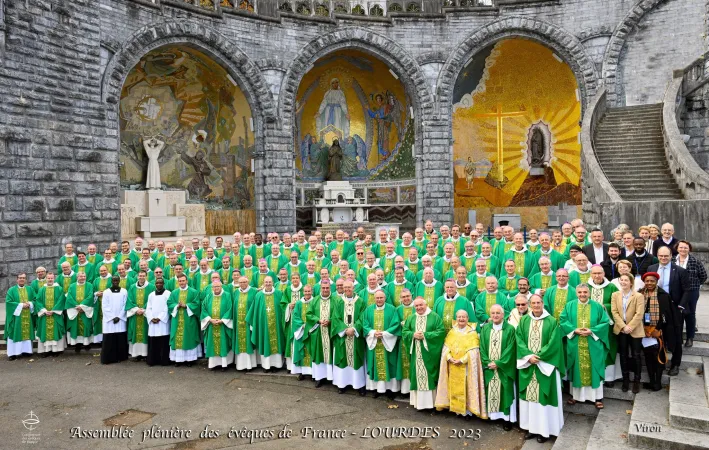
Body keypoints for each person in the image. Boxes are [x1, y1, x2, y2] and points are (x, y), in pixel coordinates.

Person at [516, 294, 565, 443]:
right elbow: (519, 339)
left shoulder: (551, 321)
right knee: (530, 399)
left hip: (545, 365)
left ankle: (544, 430)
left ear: (543, 304)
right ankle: (531, 428)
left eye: (538, 302)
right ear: (530, 305)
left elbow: (554, 342)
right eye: (533, 303)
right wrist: (528, 357)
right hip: (528, 363)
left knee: (543, 397)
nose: (536, 305)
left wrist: (539, 357)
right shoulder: (524, 320)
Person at [560, 284, 610, 409]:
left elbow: (605, 322)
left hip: (593, 343)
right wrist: (574, 330)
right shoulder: (569, 305)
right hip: (576, 341)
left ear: (589, 293)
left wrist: (592, 331)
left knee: (594, 367)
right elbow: (563, 320)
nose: (582, 294)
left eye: (585, 292)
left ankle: (597, 398)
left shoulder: (597, 306)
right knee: (576, 367)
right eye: (580, 292)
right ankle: (575, 396)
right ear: (576, 293)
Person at [435, 310, 487, 419]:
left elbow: (474, 352)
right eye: (459, 317)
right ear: (456, 318)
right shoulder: (452, 332)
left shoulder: (472, 333)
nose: (461, 319)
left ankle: (467, 411)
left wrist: (462, 360)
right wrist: (449, 358)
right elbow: (446, 348)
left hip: (465, 366)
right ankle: (457, 410)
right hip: (453, 364)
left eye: (463, 317)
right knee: (453, 386)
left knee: (467, 387)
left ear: (468, 318)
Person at [648, 247, 689, 376]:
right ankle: (661, 362)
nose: (663, 258)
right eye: (661, 256)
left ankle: (675, 364)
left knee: (676, 337)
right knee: (659, 335)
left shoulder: (680, 271)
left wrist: (681, 307)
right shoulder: (651, 268)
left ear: (671, 255)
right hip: (656, 307)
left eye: (666, 256)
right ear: (657, 255)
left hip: (674, 309)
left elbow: (687, 290)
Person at [403, 297, 446, 410]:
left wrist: (425, 335)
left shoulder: (434, 317)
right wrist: (413, 335)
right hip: (416, 353)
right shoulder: (411, 317)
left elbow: (441, 332)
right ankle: (418, 403)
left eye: (421, 305)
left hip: (429, 354)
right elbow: (405, 331)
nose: (419, 308)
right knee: (417, 375)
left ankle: (431, 403)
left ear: (426, 304)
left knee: (429, 376)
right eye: (416, 306)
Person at [480, 304, 517, 430]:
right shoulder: (485, 328)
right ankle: (492, 416)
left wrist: (499, 363)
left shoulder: (510, 329)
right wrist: (487, 361)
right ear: (490, 315)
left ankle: (506, 419)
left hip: (504, 367)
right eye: (493, 313)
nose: (495, 315)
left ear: (503, 315)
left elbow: (511, 349)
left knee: (505, 390)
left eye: (498, 313)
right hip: (489, 366)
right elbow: (482, 347)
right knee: (489, 389)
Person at [638, 272, 675, 391]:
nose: (649, 283)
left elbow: (666, 315)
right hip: (643, 330)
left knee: (657, 357)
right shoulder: (640, 293)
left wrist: (657, 330)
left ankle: (657, 383)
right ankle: (652, 381)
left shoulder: (662, 295)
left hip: (658, 331)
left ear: (656, 281)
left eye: (652, 281)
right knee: (648, 357)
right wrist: (644, 329)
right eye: (647, 281)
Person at [611, 274, 645, 393]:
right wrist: (623, 326)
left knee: (636, 355)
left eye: (626, 280)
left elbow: (639, 313)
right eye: (622, 280)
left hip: (634, 328)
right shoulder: (615, 295)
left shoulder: (638, 296)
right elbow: (614, 312)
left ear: (631, 282)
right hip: (621, 328)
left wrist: (629, 326)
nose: (624, 282)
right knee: (623, 355)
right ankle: (626, 379)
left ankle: (637, 380)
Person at [363, 290, 401, 399]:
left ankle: (390, 389)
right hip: (374, 341)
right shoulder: (368, 310)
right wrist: (373, 333)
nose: (379, 300)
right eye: (377, 298)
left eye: (381, 298)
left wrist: (384, 334)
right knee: (375, 364)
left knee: (389, 364)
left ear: (385, 298)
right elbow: (365, 325)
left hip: (387, 342)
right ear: (374, 298)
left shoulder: (392, 309)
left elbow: (396, 324)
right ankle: (377, 389)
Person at [587, 265, 620, 386]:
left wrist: (605, 306)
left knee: (608, 348)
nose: (597, 276)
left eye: (599, 273)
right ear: (591, 274)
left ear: (604, 273)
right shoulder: (586, 287)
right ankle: (594, 375)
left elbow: (618, 304)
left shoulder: (611, 287)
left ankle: (609, 377)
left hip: (607, 326)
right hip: (590, 326)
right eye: (594, 273)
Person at [247, 276, 285, 372]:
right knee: (265, 342)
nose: (268, 284)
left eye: (270, 282)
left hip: (276, 325)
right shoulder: (259, 295)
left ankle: (277, 365)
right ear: (263, 283)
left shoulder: (279, 293)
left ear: (273, 283)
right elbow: (254, 311)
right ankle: (266, 366)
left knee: (276, 343)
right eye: (266, 282)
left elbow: (283, 308)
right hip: (263, 326)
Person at [674, 240, 707, 348]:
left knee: (690, 314)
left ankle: (690, 337)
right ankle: (678, 338)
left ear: (689, 249)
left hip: (692, 291)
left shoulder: (695, 261)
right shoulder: (672, 260)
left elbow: (703, 276)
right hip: (677, 291)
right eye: (681, 247)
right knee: (678, 314)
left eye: (685, 248)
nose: (683, 249)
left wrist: (695, 285)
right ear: (677, 248)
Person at [167, 274, 202, 366]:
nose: (181, 282)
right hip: (177, 318)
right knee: (177, 338)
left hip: (189, 319)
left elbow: (197, 304)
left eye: (183, 280)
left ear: (187, 281)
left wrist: (186, 306)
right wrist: (176, 306)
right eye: (180, 281)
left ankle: (189, 360)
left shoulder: (194, 292)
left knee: (189, 337)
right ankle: (178, 360)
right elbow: (169, 303)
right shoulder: (174, 292)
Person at [306, 279, 336, 387]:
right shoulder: (314, 301)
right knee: (319, 354)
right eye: (323, 288)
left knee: (331, 354)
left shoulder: (336, 300)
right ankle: (319, 377)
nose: (325, 290)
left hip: (330, 332)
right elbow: (309, 314)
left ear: (330, 288)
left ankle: (331, 377)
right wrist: (318, 320)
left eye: (327, 288)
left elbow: (339, 315)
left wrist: (330, 320)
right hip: (318, 332)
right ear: (320, 288)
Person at [201, 281, 234, 371]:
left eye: (218, 286)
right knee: (212, 344)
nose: (216, 288)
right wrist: (209, 319)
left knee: (223, 344)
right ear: (212, 287)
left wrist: (222, 320)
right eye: (214, 287)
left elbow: (230, 308)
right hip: (211, 324)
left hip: (223, 325)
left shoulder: (227, 295)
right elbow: (203, 308)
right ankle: (213, 364)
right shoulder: (209, 296)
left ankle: (224, 364)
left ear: (221, 286)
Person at [5, 273, 35, 360]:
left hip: (27, 316)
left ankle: (26, 351)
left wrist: (30, 303)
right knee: (15, 332)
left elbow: (35, 299)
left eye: (24, 278)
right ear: (17, 279)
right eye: (20, 278)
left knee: (26, 333)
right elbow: (8, 302)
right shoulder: (11, 290)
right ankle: (13, 353)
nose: (22, 279)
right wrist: (21, 305)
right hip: (16, 317)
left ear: (26, 280)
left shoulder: (30, 289)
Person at [35, 272, 66, 356]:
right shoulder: (42, 289)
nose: (50, 279)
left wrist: (54, 311)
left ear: (54, 278)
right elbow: (38, 301)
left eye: (51, 278)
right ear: (46, 279)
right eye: (48, 278)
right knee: (44, 331)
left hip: (55, 314)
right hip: (45, 315)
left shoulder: (59, 289)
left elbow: (61, 300)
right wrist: (44, 311)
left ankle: (56, 350)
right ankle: (46, 350)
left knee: (56, 330)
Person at [126, 271, 155, 360]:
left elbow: (152, 300)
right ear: (137, 277)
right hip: (135, 314)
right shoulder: (132, 287)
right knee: (135, 332)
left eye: (143, 276)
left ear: (146, 276)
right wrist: (136, 310)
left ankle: (145, 354)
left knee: (145, 333)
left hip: (145, 314)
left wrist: (143, 310)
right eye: (140, 276)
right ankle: (136, 354)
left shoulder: (151, 287)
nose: (141, 277)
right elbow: (129, 300)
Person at [101, 275, 129, 365]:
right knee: (109, 339)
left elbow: (125, 305)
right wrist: (113, 317)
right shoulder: (106, 292)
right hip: (109, 320)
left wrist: (119, 316)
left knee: (120, 338)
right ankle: (108, 358)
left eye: (117, 280)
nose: (115, 282)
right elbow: (105, 306)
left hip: (120, 319)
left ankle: (121, 357)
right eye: (114, 280)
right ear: (111, 281)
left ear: (119, 280)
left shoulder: (124, 291)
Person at [231, 276, 257, 371]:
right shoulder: (236, 292)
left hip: (249, 322)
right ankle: (240, 365)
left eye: (244, 282)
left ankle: (251, 364)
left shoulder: (254, 291)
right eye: (240, 282)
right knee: (240, 342)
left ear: (248, 282)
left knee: (249, 341)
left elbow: (255, 306)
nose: (242, 284)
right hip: (238, 322)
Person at [291, 285, 316, 379]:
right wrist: (302, 325)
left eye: (309, 291)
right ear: (303, 292)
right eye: (305, 291)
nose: (307, 293)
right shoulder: (298, 303)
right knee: (301, 350)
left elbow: (316, 314)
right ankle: (301, 372)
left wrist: (310, 326)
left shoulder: (315, 301)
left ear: (312, 292)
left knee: (312, 350)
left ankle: (313, 372)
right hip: (301, 331)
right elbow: (295, 316)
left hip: (312, 330)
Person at [65, 271, 94, 353]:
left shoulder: (89, 285)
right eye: (81, 276)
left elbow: (90, 296)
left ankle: (86, 344)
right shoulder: (72, 286)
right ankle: (77, 345)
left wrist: (82, 307)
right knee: (75, 327)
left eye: (84, 276)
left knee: (86, 326)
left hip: (85, 310)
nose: (83, 278)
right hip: (75, 310)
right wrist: (76, 306)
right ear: (77, 277)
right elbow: (69, 297)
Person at [145, 278, 171, 366]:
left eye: (160, 283)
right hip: (153, 322)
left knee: (163, 341)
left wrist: (160, 318)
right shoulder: (151, 295)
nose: (159, 284)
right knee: (153, 342)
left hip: (163, 322)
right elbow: (148, 307)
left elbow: (168, 307)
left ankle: (164, 361)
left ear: (163, 284)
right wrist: (151, 317)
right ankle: (153, 360)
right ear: (155, 284)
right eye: (157, 283)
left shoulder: (168, 294)